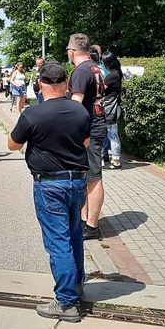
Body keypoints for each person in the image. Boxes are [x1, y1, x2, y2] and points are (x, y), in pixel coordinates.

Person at [8, 62, 90, 322]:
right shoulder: (80, 112)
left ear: (40, 84)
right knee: (75, 235)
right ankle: (76, 286)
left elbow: (12, 145)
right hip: (77, 183)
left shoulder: (33, 114)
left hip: (49, 185)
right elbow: (85, 141)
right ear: (66, 84)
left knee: (58, 242)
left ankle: (66, 303)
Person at [67, 33, 107, 240]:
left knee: (92, 177)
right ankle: (85, 220)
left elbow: (76, 105)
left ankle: (91, 226)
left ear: (72, 52)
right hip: (95, 127)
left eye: (68, 51)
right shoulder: (94, 67)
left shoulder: (81, 71)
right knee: (88, 175)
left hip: (89, 131)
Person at [100, 51, 124, 169]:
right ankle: (114, 159)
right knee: (112, 133)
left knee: (112, 134)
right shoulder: (117, 73)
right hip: (114, 107)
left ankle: (116, 161)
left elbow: (101, 88)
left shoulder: (112, 75)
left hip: (110, 108)